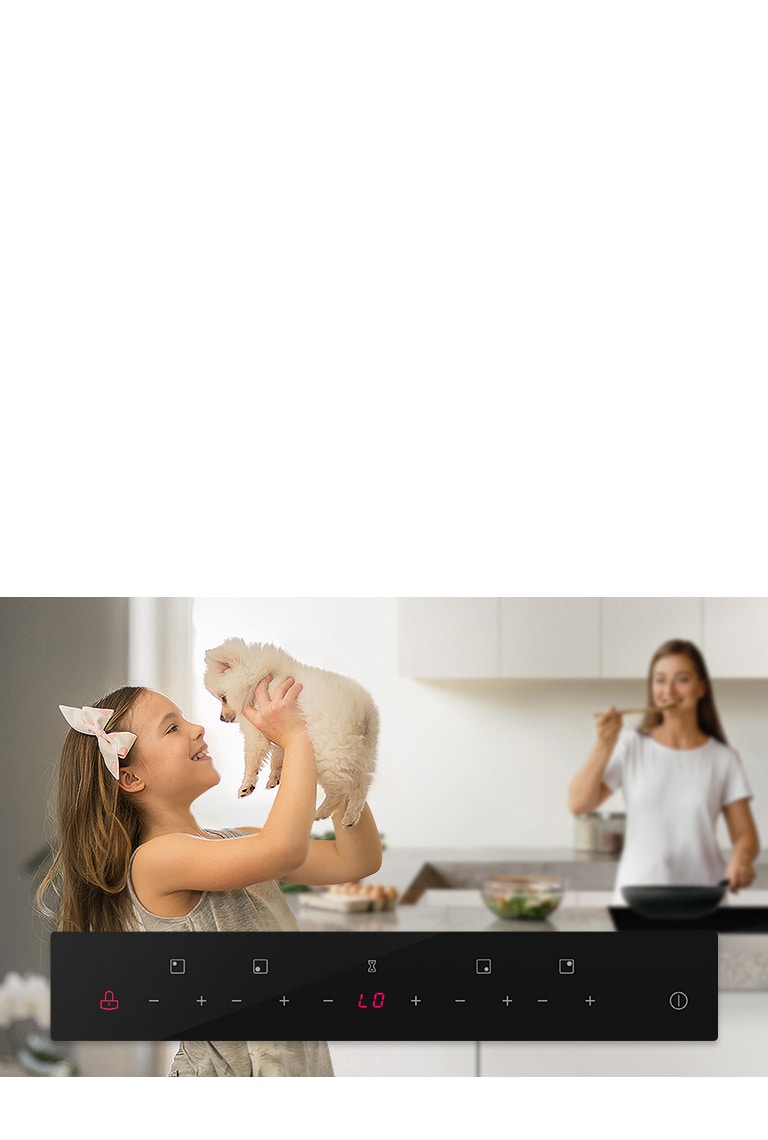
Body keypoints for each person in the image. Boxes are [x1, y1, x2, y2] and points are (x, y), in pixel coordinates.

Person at [37, 674, 383, 1076]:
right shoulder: (155, 861)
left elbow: (356, 859)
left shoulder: (239, 843)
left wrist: (324, 752)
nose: (197, 728)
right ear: (130, 778)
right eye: (171, 727)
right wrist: (297, 739)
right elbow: (284, 848)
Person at [568, 638, 759, 904]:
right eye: (659, 680)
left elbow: (745, 834)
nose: (668, 690)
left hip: (703, 900)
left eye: (682, 679)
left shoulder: (723, 758)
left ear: (701, 688)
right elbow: (578, 804)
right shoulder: (631, 746)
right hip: (636, 900)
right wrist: (603, 745)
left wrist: (741, 859)